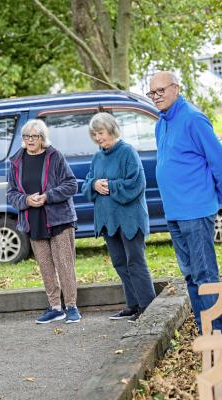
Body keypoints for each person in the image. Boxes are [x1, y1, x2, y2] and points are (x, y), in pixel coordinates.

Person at [149, 71, 222, 333]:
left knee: (205, 276)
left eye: (160, 91)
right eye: (152, 93)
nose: (156, 97)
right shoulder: (161, 122)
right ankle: (206, 328)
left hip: (197, 210)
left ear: (176, 89)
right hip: (175, 213)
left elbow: (218, 162)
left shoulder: (193, 118)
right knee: (191, 275)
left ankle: (216, 334)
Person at [82, 112, 156, 323]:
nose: (98, 137)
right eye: (94, 134)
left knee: (135, 262)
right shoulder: (97, 156)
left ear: (112, 130)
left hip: (130, 219)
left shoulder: (128, 152)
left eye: (101, 133)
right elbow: (87, 183)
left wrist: (111, 186)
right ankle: (133, 305)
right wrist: (94, 185)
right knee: (120, 263)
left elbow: (137, 184)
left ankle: (147, 306)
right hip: (108, 221)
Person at [7, 119, 81, 324]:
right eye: (27, 136)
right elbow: (11, 193)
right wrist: (26, 200)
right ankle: (56, 307)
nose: (30, 140)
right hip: (33, 220)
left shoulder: (54, 156)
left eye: (35, 136)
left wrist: (48, 196)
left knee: (65, 264)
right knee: (46, 266)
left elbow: (71, 184)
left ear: (42, 138)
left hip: (59, 219)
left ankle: (72, 306)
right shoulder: (15, 162)